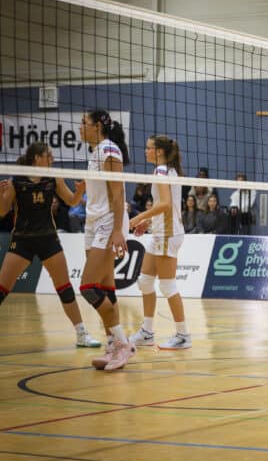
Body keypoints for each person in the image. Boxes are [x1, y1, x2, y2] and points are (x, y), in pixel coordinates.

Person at [0, 142, 99, 348]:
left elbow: (71, 201)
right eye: (49, 156)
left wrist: (80, 191)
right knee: (2, 287)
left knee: (65, 288)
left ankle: (82, 333)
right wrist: (2, 196)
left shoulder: (53, 178)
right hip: (22, 239)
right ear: (37, 158)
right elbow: (2, 211)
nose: (52, 159)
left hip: (48, 239)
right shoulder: (16, 180)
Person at [79, 110, 134, 371]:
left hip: (108, 222)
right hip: (93, 222)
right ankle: (113, 344)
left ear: (98, 126)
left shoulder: (109, 150)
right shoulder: (96, 152)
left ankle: (123, 344)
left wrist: (118, 230)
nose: (80, 127)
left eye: (84, 123)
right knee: (105, 286)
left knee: (88, 287)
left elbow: (118, 192)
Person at [128, 136, 191, 350]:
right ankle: (147, 333)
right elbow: (166, 204)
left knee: (167, 285)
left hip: (168, 233)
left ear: (159, 151)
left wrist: (137, 217)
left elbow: (164, 204)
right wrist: (148, 222)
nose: (145, 151)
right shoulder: (167, 171)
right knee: (145, 281)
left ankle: (183, 335)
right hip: (160, 231)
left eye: (148, 148)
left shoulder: (162, 172)